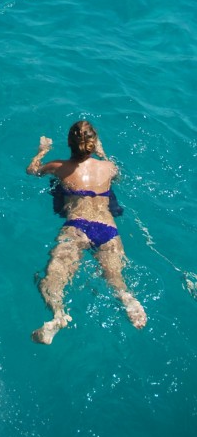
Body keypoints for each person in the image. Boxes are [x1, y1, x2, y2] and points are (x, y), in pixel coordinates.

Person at [26, 121, 146, 344]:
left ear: (69, 143)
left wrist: (42, 150)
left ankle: (58, 315)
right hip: (107, 229)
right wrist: (102, 153)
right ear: (93, 143)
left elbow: (32, 170)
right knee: (116, 280)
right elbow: (117, 178)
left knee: (52, 280)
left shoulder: (58, 166)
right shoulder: (109, 167)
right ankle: (127, 298)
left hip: (77, 228)